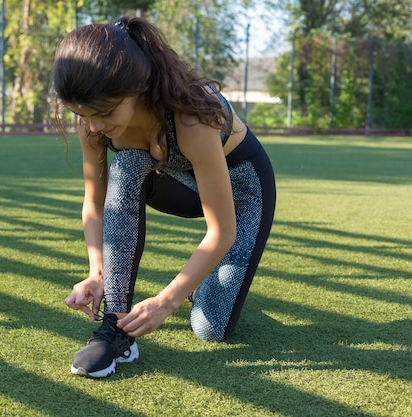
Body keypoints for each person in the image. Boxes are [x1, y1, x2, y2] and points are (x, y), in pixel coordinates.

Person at [52, 16, 276, 379]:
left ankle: (205, 288)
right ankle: (116, 326)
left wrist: (166, 300)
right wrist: (97, 273)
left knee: (209, 328)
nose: (93, 126)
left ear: (137, 90)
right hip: (177, 187)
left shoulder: (191, 116)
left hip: (241, 196)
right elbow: (94, 202)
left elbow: (222, 230)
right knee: (126, 165)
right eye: (83, 114)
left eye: (104, 113)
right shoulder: (91, 120)